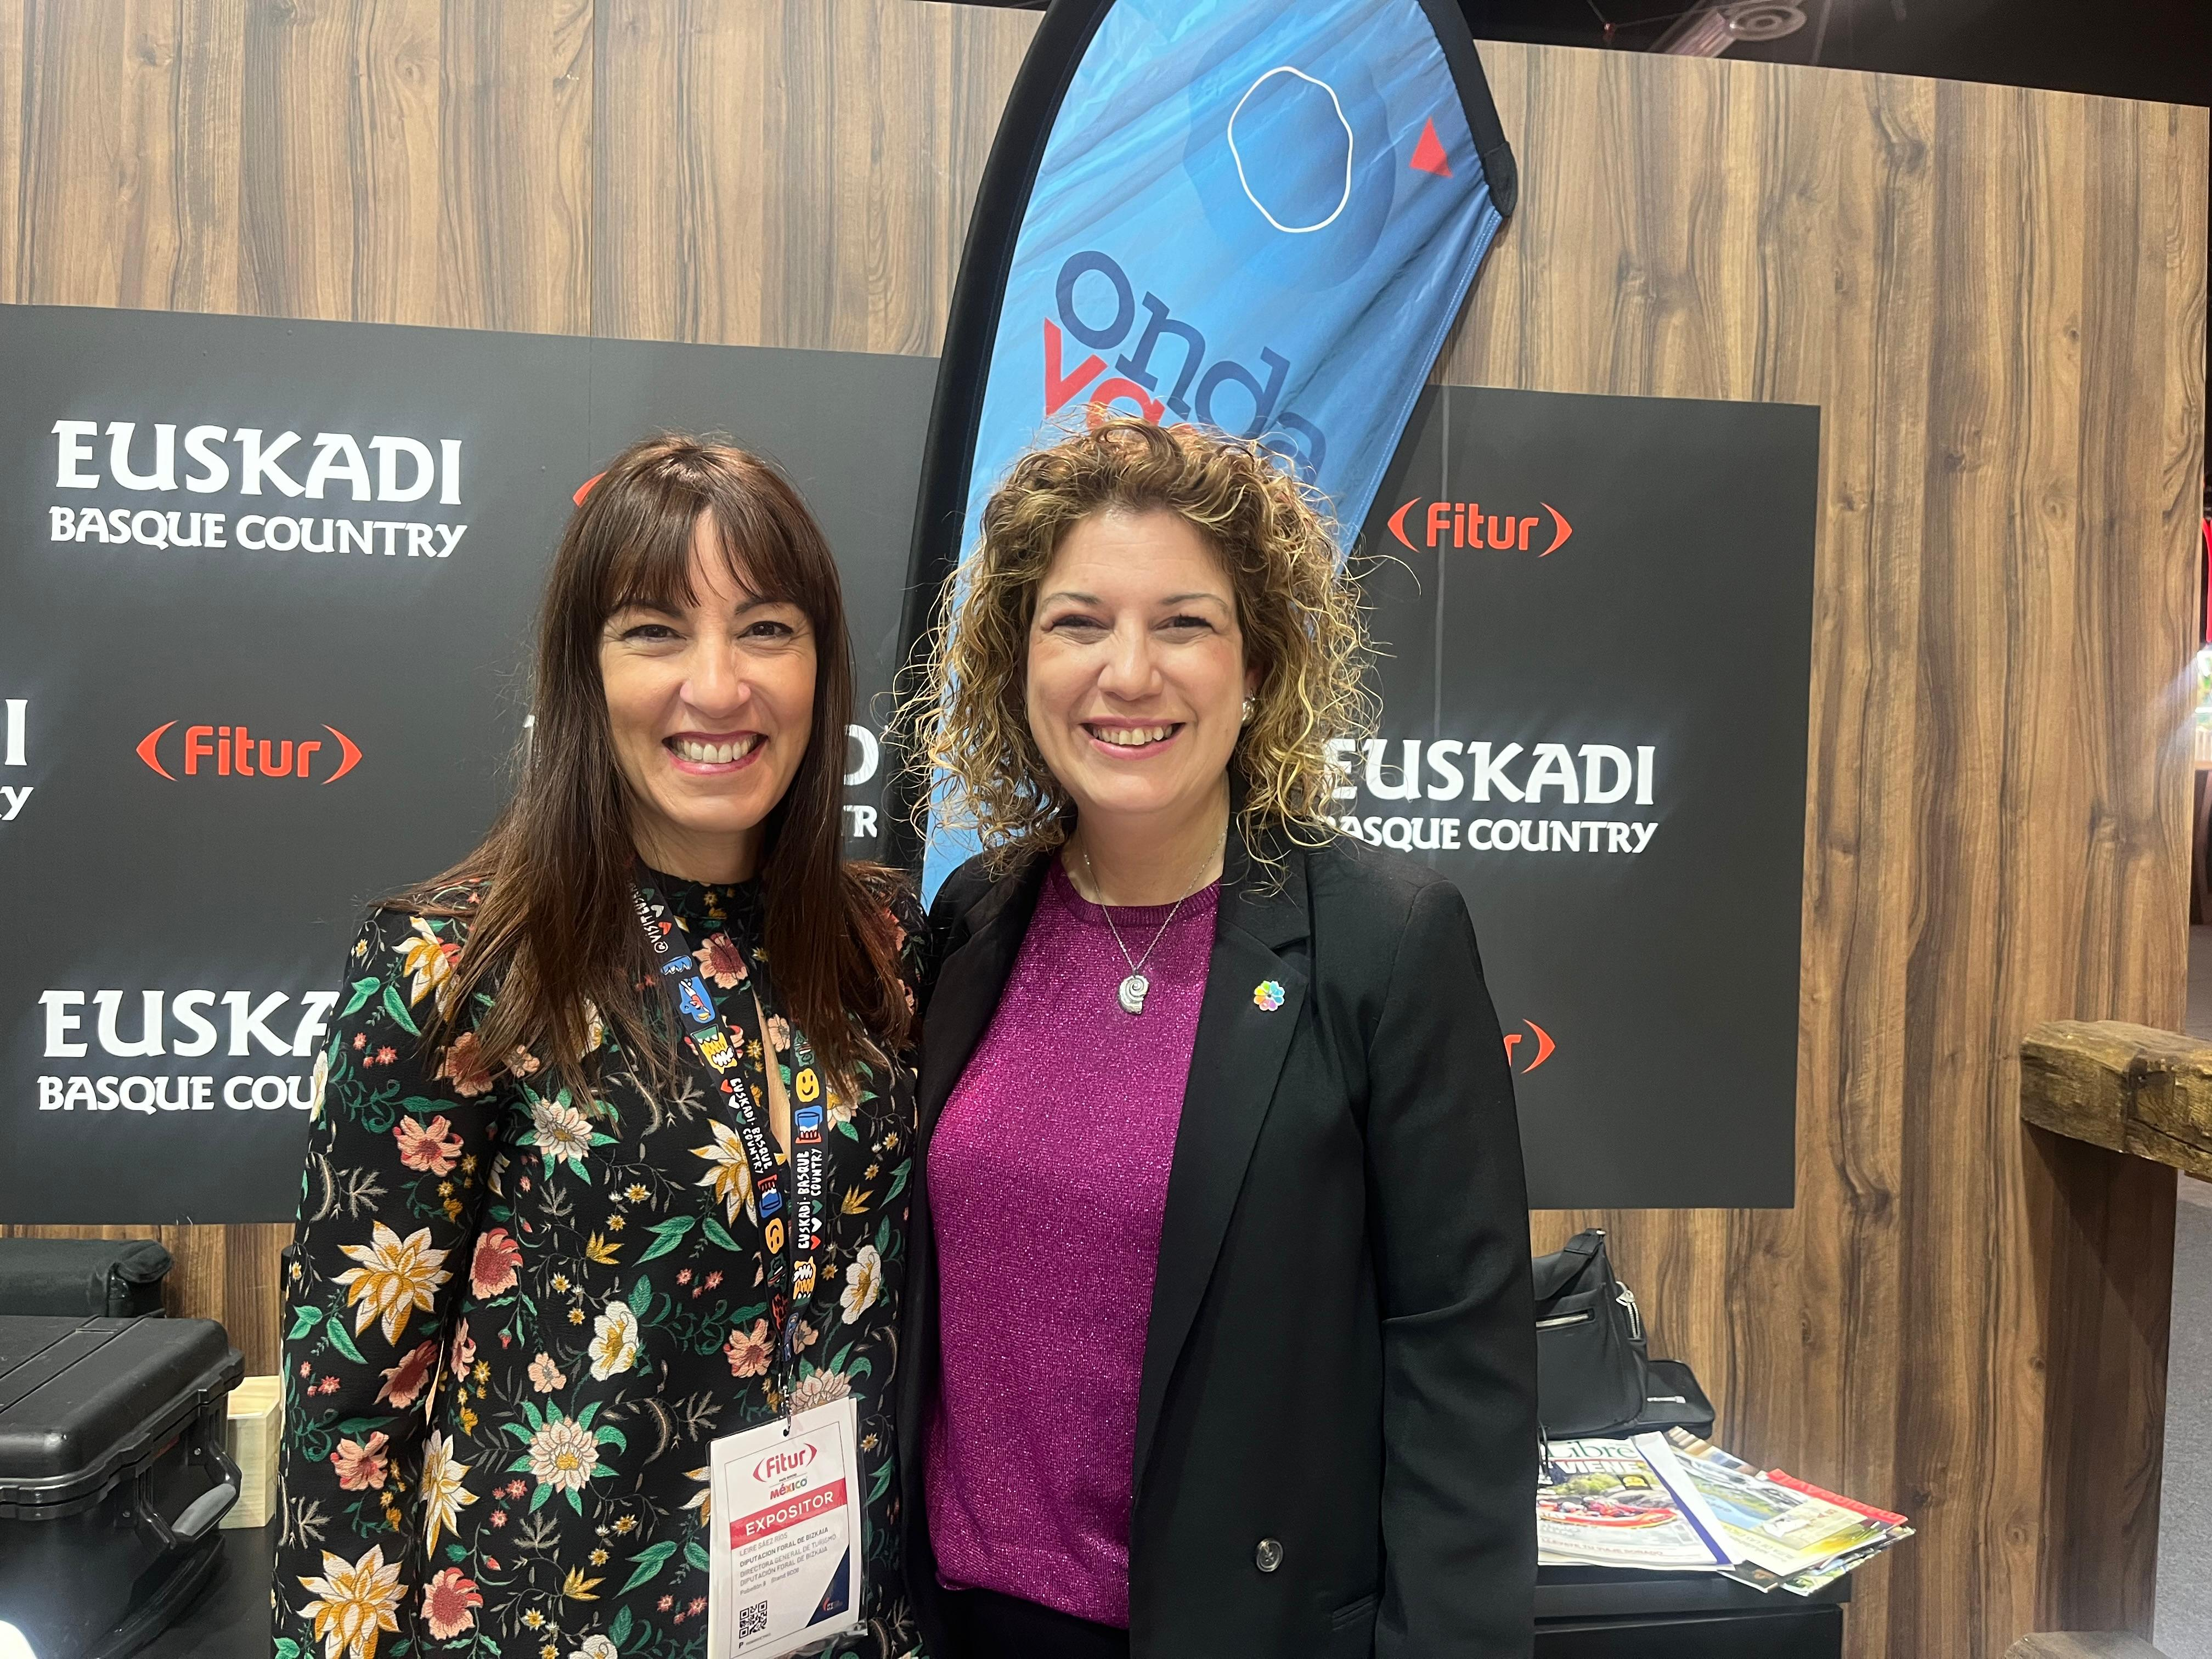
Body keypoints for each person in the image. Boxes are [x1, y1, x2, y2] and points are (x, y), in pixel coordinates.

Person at [896, 419, 1537, 1659]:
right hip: (967, 1627)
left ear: (1258, 668)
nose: (1128, 674)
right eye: (1078, 622)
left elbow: (1461, 1365)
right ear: (1016, 662)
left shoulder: (1383, 942)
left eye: (1184, 623)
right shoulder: (976, 919)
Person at [273, 435, 923, 1657]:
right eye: (655, 632)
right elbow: (344, 1422)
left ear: (824, 668)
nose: (719, 686)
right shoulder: (456, 966)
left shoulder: (885, 946)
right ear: (585, 670)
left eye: (768, 629)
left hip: (844, 1631)